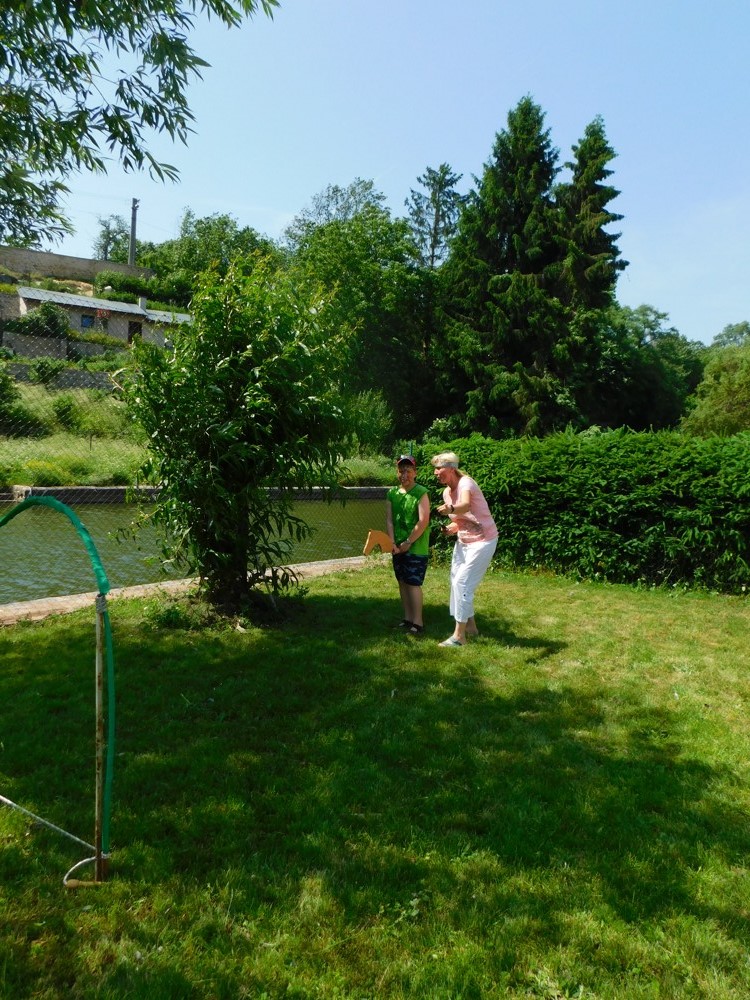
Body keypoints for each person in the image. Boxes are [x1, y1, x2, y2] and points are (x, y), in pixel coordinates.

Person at [432, 451, 498, 647]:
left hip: (483, 541)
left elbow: (466, 505)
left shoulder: (465, 483)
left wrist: (451, 509)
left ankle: (459, 637)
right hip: (464, 542)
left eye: (439, 468)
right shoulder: (446, 493)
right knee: (456, 582)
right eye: (435, 469)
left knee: (463, 583)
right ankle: (471, 628)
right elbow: (461, 521)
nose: (435, 473)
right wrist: (450, 528)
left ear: (451, 469)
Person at [385, 455, 431, 635]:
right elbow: (389, 520)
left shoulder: (421, 492)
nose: (404, 474)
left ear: (415, 473)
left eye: (408, 471)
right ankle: (407, 618)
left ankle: (418, 622)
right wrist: (392, 543)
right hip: (397, 547)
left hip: (416, 546)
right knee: (402, 582)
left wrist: (408, 542)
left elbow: (423, 520)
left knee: (412, 583)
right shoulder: (392, 493)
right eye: (401, 470)